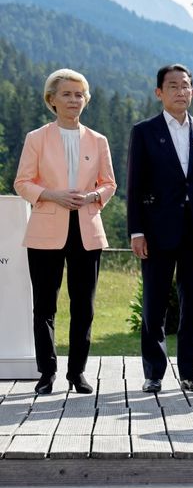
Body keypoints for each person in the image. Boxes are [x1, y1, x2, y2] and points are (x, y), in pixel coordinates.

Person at [14, 68, 117, 395]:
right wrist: (52, 195)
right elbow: (22, 183)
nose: (74, 100)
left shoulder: (98, 140)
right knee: (45, 306)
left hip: (87, 230)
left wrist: (93, 196)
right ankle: (47, 373)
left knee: (84, 307)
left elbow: (109, 183)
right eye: (67, 94)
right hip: (45, 230)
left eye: (79, 94)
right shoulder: (36, 138)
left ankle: (77, 373)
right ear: (52, 100)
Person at [126, 64, 193, 394]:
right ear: (159, 92)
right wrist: (136, 231)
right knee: (154, 304)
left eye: (186, 86)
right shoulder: (144, 131)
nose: (181, 91)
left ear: (192, 91)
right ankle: (154, 373)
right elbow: (135, 184)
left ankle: (192, 373)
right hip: (157, 229)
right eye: (173, 86)